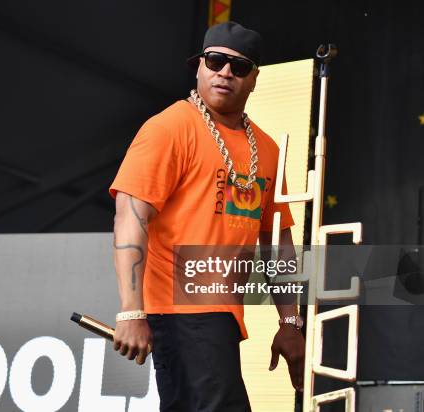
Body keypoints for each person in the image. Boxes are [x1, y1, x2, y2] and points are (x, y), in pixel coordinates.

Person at [108, 21, 306, 411]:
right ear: (199, 66)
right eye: (215, 61)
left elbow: (278, 240)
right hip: (179, 309)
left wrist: (290, 322)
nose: (226, 72)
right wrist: (131, 310)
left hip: (223, 315)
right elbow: (130, 217)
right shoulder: (169, 128)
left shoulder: (265, 148)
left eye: (240, 66)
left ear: (254, 79)